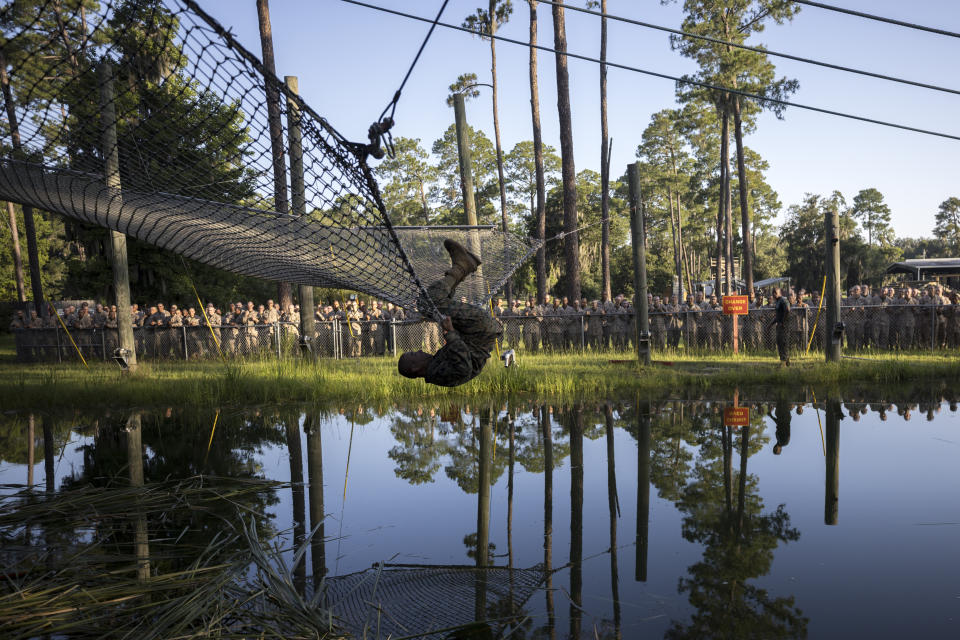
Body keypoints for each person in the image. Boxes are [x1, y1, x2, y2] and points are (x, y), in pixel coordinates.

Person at [398, 240, 500, 387]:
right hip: (478, 330)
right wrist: (450, 332)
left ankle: (463, 266)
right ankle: (461, 267)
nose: (419, 350)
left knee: (432, 306)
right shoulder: (439, 375)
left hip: (475, 331)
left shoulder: (434, 366)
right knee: (426, 304)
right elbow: (464, 368)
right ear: (415, 368)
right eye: (414, 354)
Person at [769, 287, 791, 366]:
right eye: (773, 293)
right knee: (779, 342)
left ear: (778, 292)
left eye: (775, 292)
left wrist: (783, 321)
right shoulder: (777, 301)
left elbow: (788, 310)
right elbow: (777, 316)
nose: (773, 295)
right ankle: (785, 360)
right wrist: (771, 324)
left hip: (784, 326)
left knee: (783, 342)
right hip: (779, 326)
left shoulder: (783, 300)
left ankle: (784, 361)